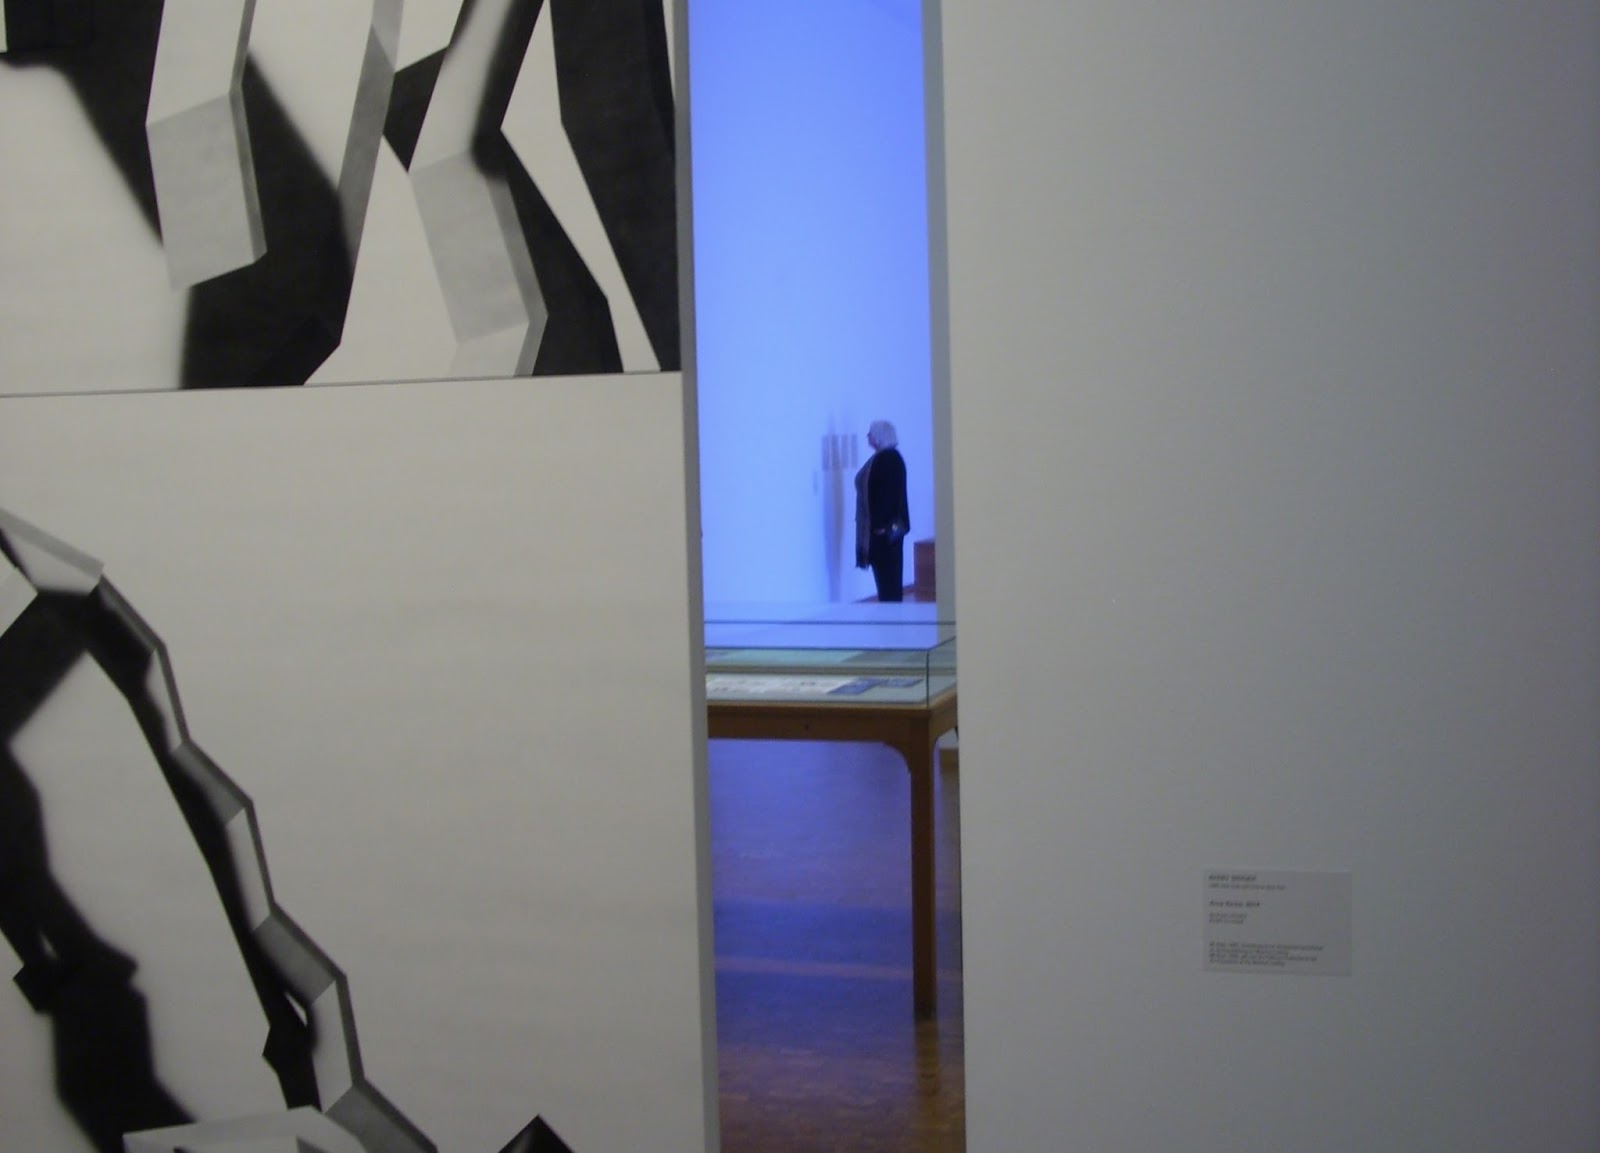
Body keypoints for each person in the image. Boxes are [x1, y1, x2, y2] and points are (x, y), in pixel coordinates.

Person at [854, 419, 910, 602]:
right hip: (885, 532)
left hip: (885, 534)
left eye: (870, 433)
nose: (868, 436)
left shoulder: (888, 459)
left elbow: (888, 496)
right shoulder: (887, 457)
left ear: (879, 436)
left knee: (888, 584)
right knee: (887, 583)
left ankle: (892, 618)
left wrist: (880, 526)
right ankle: (891, 617)